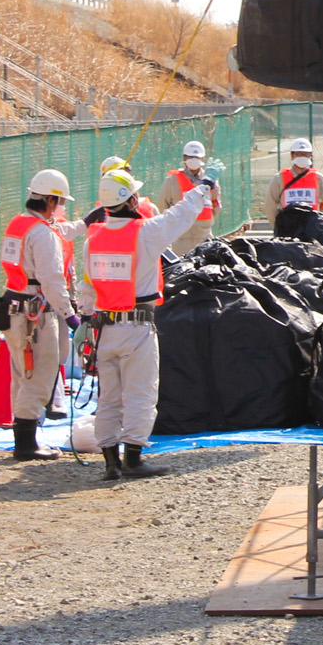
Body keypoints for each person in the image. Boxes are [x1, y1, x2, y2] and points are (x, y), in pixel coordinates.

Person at [76, 168, 214, 480]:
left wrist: (85, 318)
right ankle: (133, 459)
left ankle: (110, 462)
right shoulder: (146, 233)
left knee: (108, 398)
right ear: (131, 200)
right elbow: (181, 215)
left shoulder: (93, 239)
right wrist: (202, 188)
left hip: (103, 329)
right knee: (140, 395)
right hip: (137, 327)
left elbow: (87, 287)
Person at [0, 169, 84, 462]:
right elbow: (53, 281)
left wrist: (85, 222)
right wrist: (69, 315)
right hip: (35, 315)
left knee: (22, 375)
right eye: (60, 202)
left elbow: (61, 232)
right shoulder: (43, 234)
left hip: (14, 308)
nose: (61, 207)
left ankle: (23, 438)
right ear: (49, 200)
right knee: (39, 376)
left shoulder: (19, 225)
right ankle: (26, 444)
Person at [153, 142, 216, 255]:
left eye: (197, 157)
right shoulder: (172, 180)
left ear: (203, 158)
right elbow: (163, 206)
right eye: (190, 156)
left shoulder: (211, 180)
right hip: (180, 238)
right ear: (184, 158)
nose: (194, 160)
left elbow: (216, 204)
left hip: (204, 235)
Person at [265, 137, 323, 226]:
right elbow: (270, 205)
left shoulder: (319, 179)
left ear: (310, 155)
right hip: (288, 227)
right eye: (298, 154)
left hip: (311, 227)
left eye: (305, 154)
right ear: (292, 155)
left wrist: (321, 225)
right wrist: (277, 227)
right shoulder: (279, 178)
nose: (302, 157)